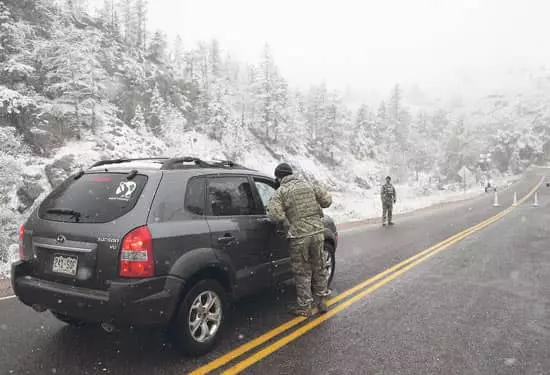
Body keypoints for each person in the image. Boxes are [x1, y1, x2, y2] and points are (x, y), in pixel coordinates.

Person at [268, 163, 332, 317]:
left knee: (302, 271)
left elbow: (274, 214)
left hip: (299, 237)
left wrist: (285, 221)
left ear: (279, 177)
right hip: (317, 233)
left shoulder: (281, 191)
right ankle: (321, 301)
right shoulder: (309, 185)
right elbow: (327, 201)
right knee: (319, 266)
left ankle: (304, 307)